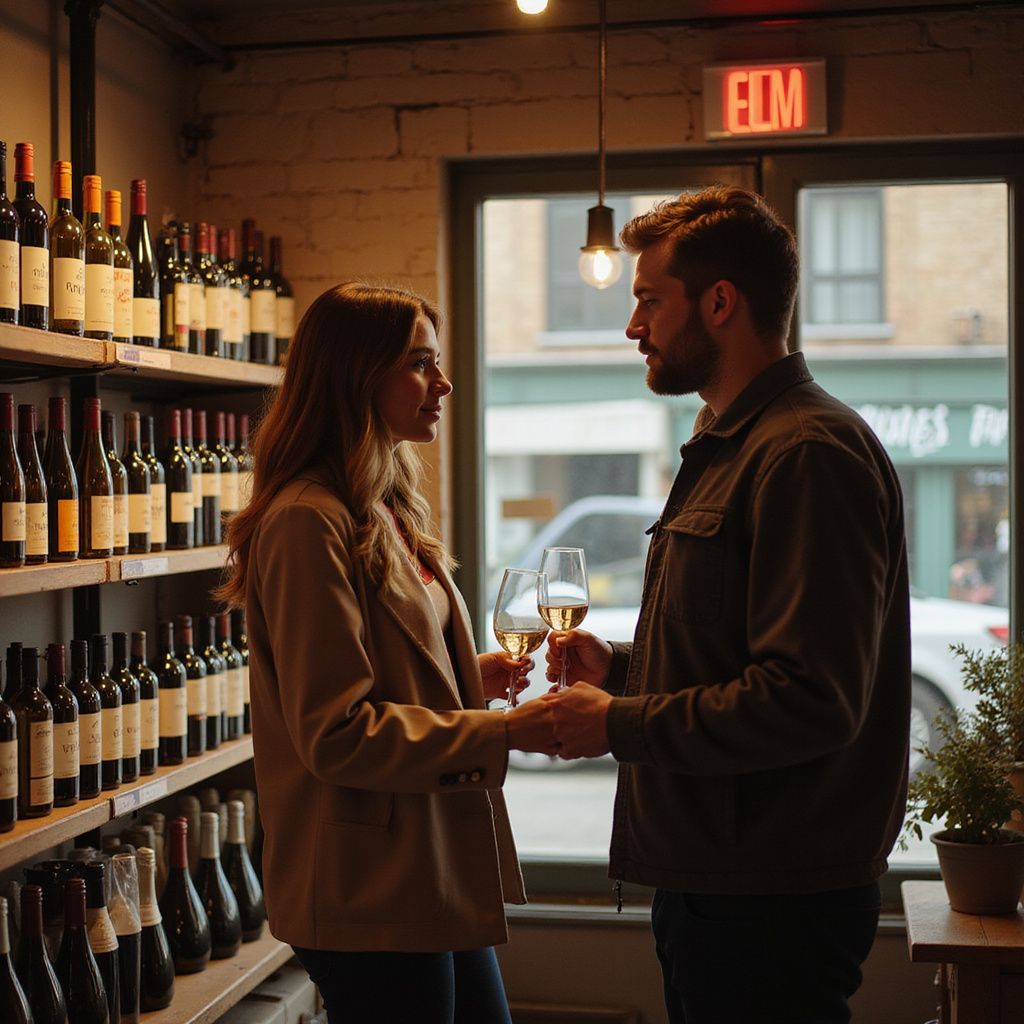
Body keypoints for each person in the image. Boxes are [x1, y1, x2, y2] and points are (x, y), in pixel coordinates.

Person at [541, 185, 912, 1024]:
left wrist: (617, 723)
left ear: (719, 303)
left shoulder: (805, 454)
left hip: (769, 901)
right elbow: (738, 654)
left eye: (648, 301)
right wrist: (625, 672)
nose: (632, 327)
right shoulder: (734, 443)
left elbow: (811, 698)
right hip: (726, 886)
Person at [216, 282, 556, 1024]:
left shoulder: (380, 505)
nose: (443, 383)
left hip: (421, 865)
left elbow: (391, 664)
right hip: (367, 882)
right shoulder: (307, 521)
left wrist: (469, 676)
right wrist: (504, 731)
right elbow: (336, 731)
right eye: (419, 364)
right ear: (353, 377)